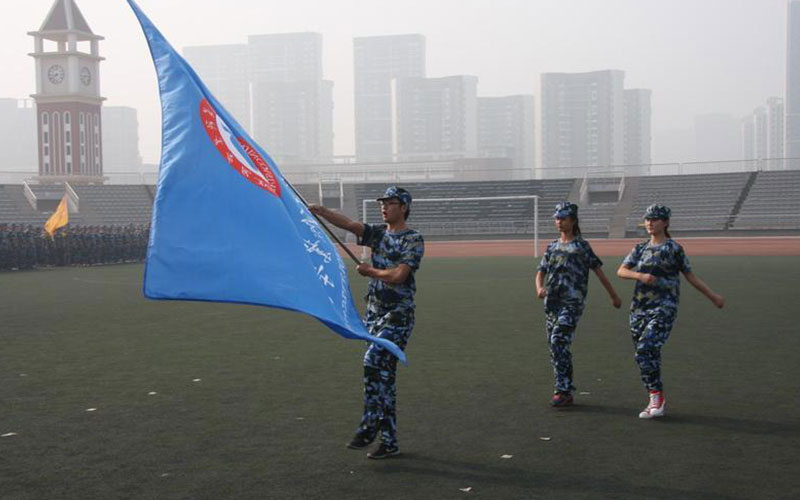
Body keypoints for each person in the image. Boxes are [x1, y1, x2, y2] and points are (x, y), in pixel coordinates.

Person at [309, 186, 424, 460]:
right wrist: (321, 212)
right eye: (382, 203)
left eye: (391, 203)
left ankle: (370, 423)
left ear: (404, 207)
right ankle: (389, 441)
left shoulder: (413, 239)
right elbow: (348, 224)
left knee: (372, 361)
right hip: (374, 314)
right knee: (384, 378)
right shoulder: (378, 234)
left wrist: (370, 271)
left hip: (398, 314)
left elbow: (399, 275)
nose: (384, 207)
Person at [617, 204, 724, 419]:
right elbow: (621, 271)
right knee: (647, 355)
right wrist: (640, 276)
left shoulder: (674, 249)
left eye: (655, 219)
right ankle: (655, 398)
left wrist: (712, 296)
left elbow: (690, 276)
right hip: (639, 308)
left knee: (645, 349)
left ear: (665, 222)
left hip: (664, 307)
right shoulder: (640, 248)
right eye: (647, 219)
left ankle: (656, 398)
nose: (650, 222)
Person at [535, 202, 621, 407]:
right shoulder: (552, 246)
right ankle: (562, 389)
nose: (559, 222)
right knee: (555, 347)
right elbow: (541, 271)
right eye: (557, 218)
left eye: (563, 218)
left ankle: (564, 390)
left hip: (572, 302)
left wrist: (613, 296)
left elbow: (599, 272)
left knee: (558, 339)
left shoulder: (582, 247)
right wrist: (539, 288)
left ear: (573, 221)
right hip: (552, 303)